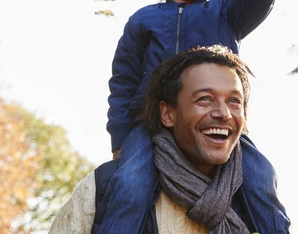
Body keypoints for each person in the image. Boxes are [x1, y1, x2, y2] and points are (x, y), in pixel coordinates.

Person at [103, 0, 289, 233]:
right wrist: (120, 139)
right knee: (130, 182)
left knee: (262, 176)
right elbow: (123, 82)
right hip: (150, 124)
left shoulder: (224, 10)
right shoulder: (143, 21)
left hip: (219, 121)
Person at [50, 45, 269, 233]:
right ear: (167, 114)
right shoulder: (103, 188)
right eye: (205, 99)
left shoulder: (258, 204)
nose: (224, 113)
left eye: (234, 101)